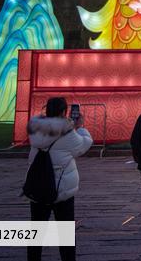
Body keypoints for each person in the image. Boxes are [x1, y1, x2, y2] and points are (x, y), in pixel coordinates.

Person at [26, 96, 93, 261]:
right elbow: (83, 145)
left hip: (37, 185)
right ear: (64, 111)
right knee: (65, 235)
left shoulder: (36, 128)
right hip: (60, 188)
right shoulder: (68, 132)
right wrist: (80, 127)